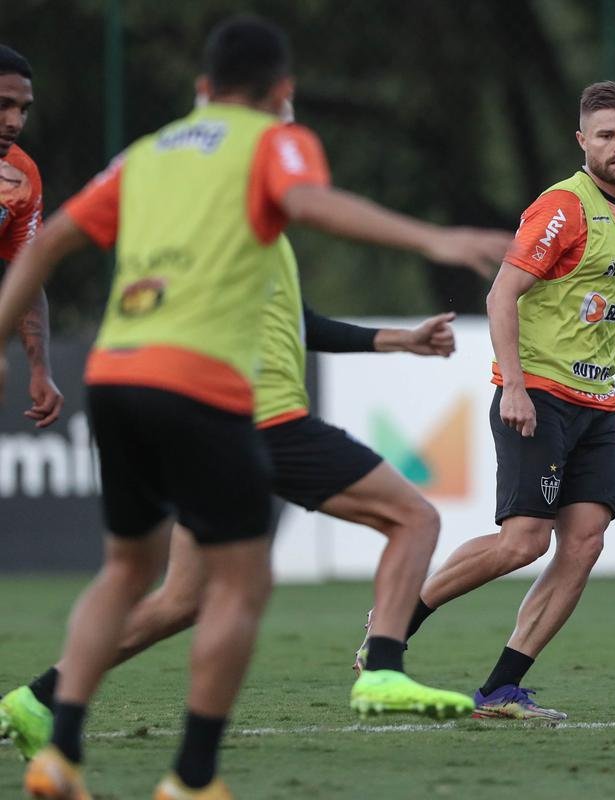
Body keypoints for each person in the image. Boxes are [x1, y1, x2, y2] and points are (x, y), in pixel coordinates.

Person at [0, 16, 507, 799]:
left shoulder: (150, 155)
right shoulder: (271, 149)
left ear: (202, 87)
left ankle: (49, 725)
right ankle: (281, 727)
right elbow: (314, 200)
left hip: (115, 377)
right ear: (282, 93)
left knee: (160, 587)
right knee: (379, 533)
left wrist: (393, 341)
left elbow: (44, 244)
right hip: (220, 399)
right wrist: (433, 242)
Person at [369, 81, 615, 722]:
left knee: (584, 544)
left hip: (597, 403)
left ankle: (500, 688)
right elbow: (502, 295)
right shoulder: (563, 206)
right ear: (582, 141)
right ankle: (392, 623)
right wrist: (517, 386)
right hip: (540, 396)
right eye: (606, 135)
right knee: (522, 542)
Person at [0, 44, 62, 429]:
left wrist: (40, 368)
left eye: (22, 109)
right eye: (3, 104)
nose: (14, 122)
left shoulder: (20, 176)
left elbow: (26, 270)